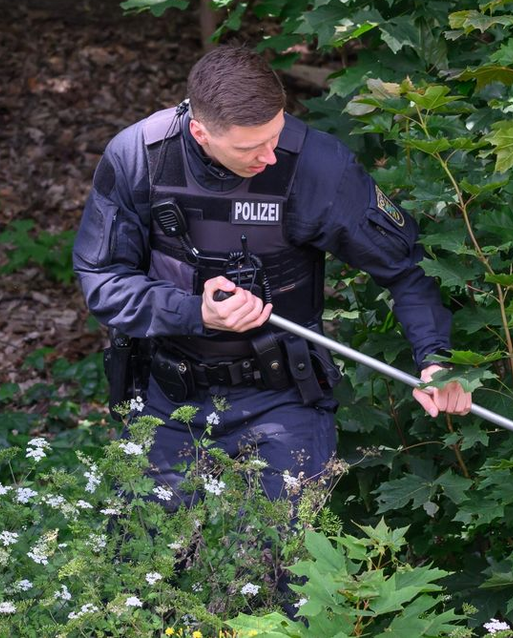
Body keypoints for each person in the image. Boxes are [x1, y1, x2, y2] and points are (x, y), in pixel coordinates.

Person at [74, 45, 470, 501]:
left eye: (274, 136)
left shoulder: (318, 168)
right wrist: (193, 311)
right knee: (147, 565)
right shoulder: (138, 157)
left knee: (281, 567)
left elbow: (406, 269)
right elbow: (101, 278)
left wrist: (435, 359)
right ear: (200, 132)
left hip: (283, 396)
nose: (270, 157)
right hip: (167, 395)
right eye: (249, 147)